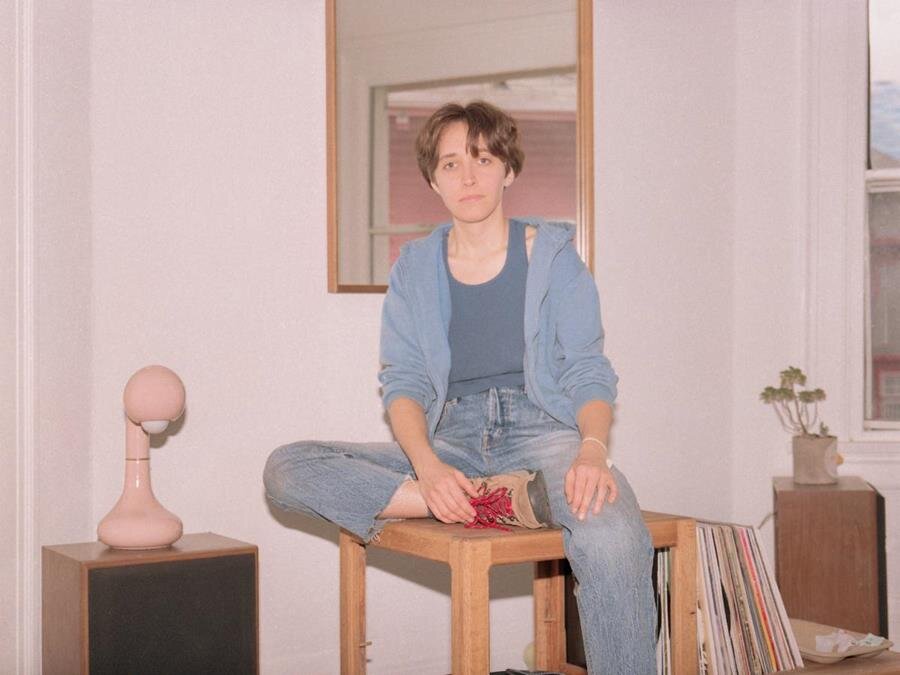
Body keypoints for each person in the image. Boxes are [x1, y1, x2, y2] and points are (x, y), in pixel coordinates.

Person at [264, 101, 656, 674]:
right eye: (451, 164)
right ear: (433, 179)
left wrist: (592, 450)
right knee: (286, 468)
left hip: (543, 434)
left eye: (483, 159)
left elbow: (587, 369)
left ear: (508, 169)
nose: (468, 177)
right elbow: (403, 382)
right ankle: (494, 500)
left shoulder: (552, 258)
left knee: (615, 535)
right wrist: (427, 468)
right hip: (451, 442)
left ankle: (498, 498)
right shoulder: (414, 268)